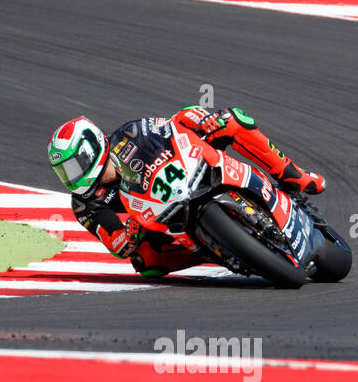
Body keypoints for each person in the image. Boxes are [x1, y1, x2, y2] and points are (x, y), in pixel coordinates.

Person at [46, 107, 325, 276]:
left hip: (188, 173)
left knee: (234, 119)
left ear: (90, 148)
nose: (72, 176)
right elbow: (115, 244)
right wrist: (129, 233)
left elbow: (171, 125)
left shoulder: (130, 132)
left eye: (73, 165)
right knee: (146, 263)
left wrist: (198, 118)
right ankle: (215, 251)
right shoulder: (85, 204)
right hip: (157, 221)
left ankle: (294, 176)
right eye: (64, 172)